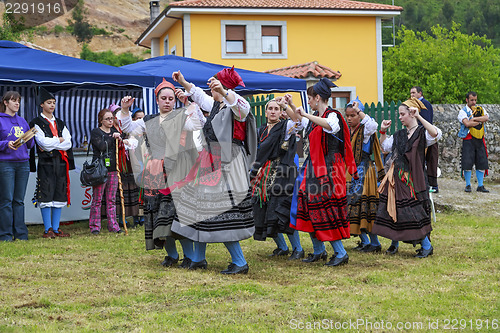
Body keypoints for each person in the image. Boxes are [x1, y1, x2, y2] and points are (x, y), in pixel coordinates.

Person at [170, 67, 257, 274]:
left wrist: (226, 91)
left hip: (228, 162)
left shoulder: (237, 107)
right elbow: (199, 97)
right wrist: (183, 81)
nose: (210, 91)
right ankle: (199, 258)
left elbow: (241, 106)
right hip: (211, 161)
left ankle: (240, 261)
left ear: (223, 87)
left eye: (215, 86)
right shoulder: (217, 106)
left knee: (221, 212)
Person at [118, 79, 204, 268]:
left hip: (179, 173)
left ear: (175, 100)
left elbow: (198, 123)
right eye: (163, 98)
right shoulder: (147, 121)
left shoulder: (183, 117)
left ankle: (189, 256)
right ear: (157, 100)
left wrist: (188, 104)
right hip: (156, 174)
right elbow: (127, 128)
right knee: (159, 217)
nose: (167, 101)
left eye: (170, 98)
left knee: (179, 217)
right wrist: (125, 110)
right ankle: (171, 255)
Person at [290, 78, 358, 267]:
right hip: (315, 167)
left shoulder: (333, 115)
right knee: (309, 207)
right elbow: (300, 120)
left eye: (310, 98)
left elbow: (331, 126)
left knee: (326, 209)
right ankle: (319, 250)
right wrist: (289, 105)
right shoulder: (314, 118)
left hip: (329, 168)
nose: (308, 102)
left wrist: (306, 114)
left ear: (317, 97)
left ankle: (340, 252)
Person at [373, 98, 442, 258]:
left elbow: (436, 134)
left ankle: (426, 245)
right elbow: (384, 147)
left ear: (411, 114)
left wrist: (419, 116)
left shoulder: (423, 133)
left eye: (403, 114)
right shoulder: (399, 135)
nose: (400, 117)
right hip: (396, 178)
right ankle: (394, 243)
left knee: (412, 210)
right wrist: (382, 132)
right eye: (400, 114)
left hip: (414, 178)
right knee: (393, 209)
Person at [251, 94, 304, 260]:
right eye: (270, 109)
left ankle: (298, 248)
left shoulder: (286, 127)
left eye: (276, 109)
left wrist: (287, 105)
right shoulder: (260, 130)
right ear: (265, 112)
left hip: (283, 173)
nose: (273, 111)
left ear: (281, 112)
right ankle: (281, 247)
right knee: (263, 209)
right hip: (263, 173)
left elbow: (298, 120)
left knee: (282, 210)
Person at [30, 87, 74, 238]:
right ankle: (47, 229)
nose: (52, 105)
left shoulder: (60, 123)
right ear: (42, 104)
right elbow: (42, 143)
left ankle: (56, 228)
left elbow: (68, 143)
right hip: (46, 164)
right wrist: (58, 140)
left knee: (59, 194)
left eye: (54, 102)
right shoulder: (36, 122)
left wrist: (54, 142)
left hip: (61, 163)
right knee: (46, 194)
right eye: (49, 102)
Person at [344, 97, 385, 253]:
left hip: (364, 172)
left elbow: (373, 125)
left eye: (352, 115)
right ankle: (365, 240)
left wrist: (360, 111)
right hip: (350, 171)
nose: (349, 118)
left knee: (365, 208)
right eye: (347, 115)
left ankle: (374, 243)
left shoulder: (365, 129)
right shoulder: (348, 131)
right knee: (351, 206)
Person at [0, 91, 34, 241]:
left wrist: (31, 137)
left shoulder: (22, 121)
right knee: (6, 200)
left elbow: (30, 145)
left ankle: (21, 234)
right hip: (5, 163)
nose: (17, 104)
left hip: (23, 164)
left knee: (19, 200)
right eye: (13, 101)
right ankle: (5, 235)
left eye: (18, 101)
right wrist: (5, 144)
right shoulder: (0, 120)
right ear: (5, 103)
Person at [88, 108, 124, 235]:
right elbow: (102, 146)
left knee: (111, 199)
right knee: (97, 199)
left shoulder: (115, 131)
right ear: (101, 121)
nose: (110, 121)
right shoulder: (96, 132)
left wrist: (119, 139)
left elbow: (121, 145)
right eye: (107, 119)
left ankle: (113, 225)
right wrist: (111, 138)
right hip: (99, 169)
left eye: (112, 118)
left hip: (113, 169)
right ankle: (95, 226)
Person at [457, 91, 489, 193]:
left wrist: (474, 119)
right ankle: (468, 185)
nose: (474, 102)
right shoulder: (462, 112)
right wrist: (480, 121)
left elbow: (486, 118)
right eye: (472, 100)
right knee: (467, 162)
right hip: (468, 139)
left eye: (475, 100)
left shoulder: (480, 109)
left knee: (481, 161)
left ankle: (480, 185)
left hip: (479, 139)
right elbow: (466, 123)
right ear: (467, 100)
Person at [410, 86, 439, 193]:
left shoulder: (424, 104)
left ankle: (433, 185)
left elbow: (426, 121)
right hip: (418, 135)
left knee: (431, 160)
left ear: (420, 93)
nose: (412, 95)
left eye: (414, 93)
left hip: (426, 135)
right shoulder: (414, 105)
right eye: (411, 93)